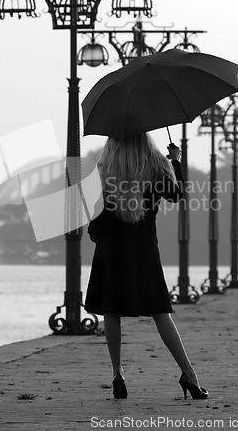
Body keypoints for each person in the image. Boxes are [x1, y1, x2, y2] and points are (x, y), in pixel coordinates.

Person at [84, 133, 208, 401]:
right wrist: (175, 161)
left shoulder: (107, 166)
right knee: (160, 311)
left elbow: (105, 209)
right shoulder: (157, 165)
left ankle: (117, 375)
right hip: (143, 249)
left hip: (111, 248)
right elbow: (177, 195)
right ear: (145, 139)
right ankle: (190, 376)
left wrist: (96, 226)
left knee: (111, 309)